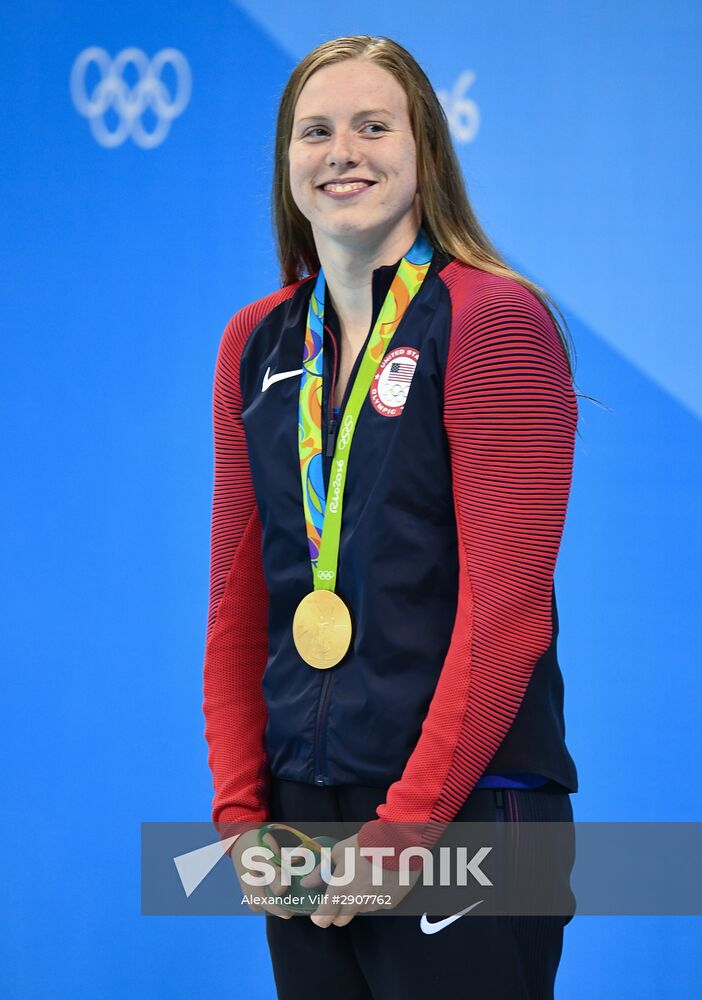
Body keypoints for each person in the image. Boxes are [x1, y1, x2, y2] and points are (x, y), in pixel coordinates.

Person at [202, 34, 579, 1000]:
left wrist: (404, 834)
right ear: (287, 162)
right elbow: (239, 597)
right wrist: (243, 816)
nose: (344, 153)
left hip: (468, 813)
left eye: (375, 126)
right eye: (316, 131)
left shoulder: (493, 320)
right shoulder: (257, 342)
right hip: (304, 820)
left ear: (426, 154)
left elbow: (508, 617)